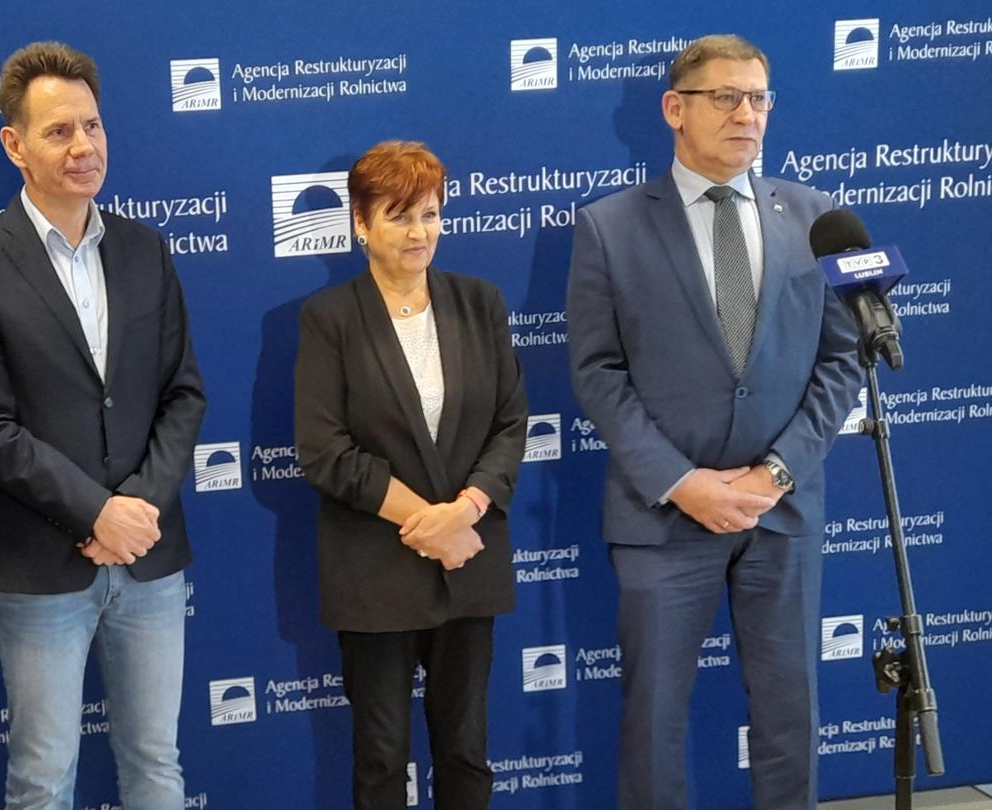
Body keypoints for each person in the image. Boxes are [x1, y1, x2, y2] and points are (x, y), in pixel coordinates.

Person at [565, 35, 863, 810]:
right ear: (675, 109)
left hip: (780, 511)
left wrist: (777, 473)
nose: (746, 115)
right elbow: (597, 373)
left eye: (759, 99)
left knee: (791, 711)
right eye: (726, 97)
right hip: (664, 515)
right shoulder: (609, 226)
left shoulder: (816, 218)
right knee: (653, 719)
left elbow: (842, 361)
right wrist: (682, 482)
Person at [0, 41, 206, 810]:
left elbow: (183, 395)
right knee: (42, 779)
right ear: (14, 145)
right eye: (58, 131)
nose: (83, 146)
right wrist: (95, 514)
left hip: (149, 556)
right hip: (39, 563)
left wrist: (136, 509)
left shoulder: (147, 250)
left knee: (157, 763)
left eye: (92, 125)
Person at [295, 141, 527, 810]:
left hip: (470, 559)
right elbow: (324, 450)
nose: (419, 232)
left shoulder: (480, 303)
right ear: (360, 223)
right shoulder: (329, 319)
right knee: (381, 758)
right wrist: (428, 523)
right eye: (399, 216)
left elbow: (511, 423)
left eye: (429, 214)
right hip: (375, 571)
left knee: (465, 752)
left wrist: (466, 512)